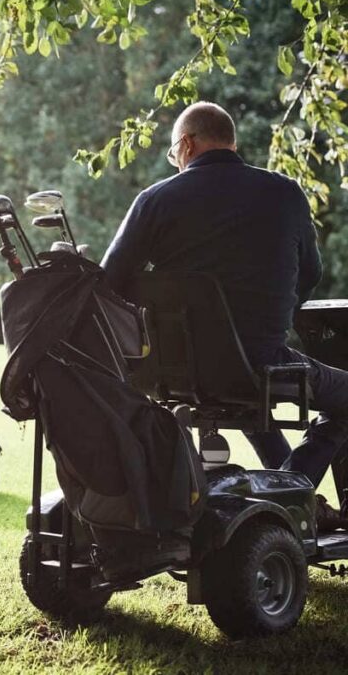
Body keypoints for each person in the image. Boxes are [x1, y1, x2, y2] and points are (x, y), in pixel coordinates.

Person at [101, 101, 348, 529]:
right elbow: (311, 274)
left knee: (244, 387)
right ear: (230, 143)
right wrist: (277, 315)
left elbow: (109, 283)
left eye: (173, 152)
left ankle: (285, 486)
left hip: (176, 371)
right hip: (262, 364)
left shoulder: (155, 200)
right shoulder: (285, 192)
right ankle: (295, 490)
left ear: (187, 143)